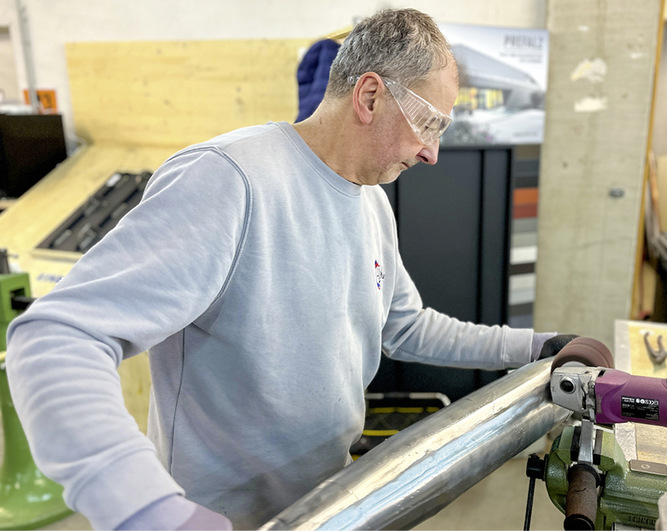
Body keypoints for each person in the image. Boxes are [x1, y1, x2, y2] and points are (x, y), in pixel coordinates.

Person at [6, 8, 571, 530]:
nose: (432, 152)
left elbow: (405, 326)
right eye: (429, 123)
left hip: (326, 505)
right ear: (370, 96)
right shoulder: (229, 181)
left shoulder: (371, 201)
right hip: (217, 517)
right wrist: (144, 509)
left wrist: (538, 347)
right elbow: (58, 337)